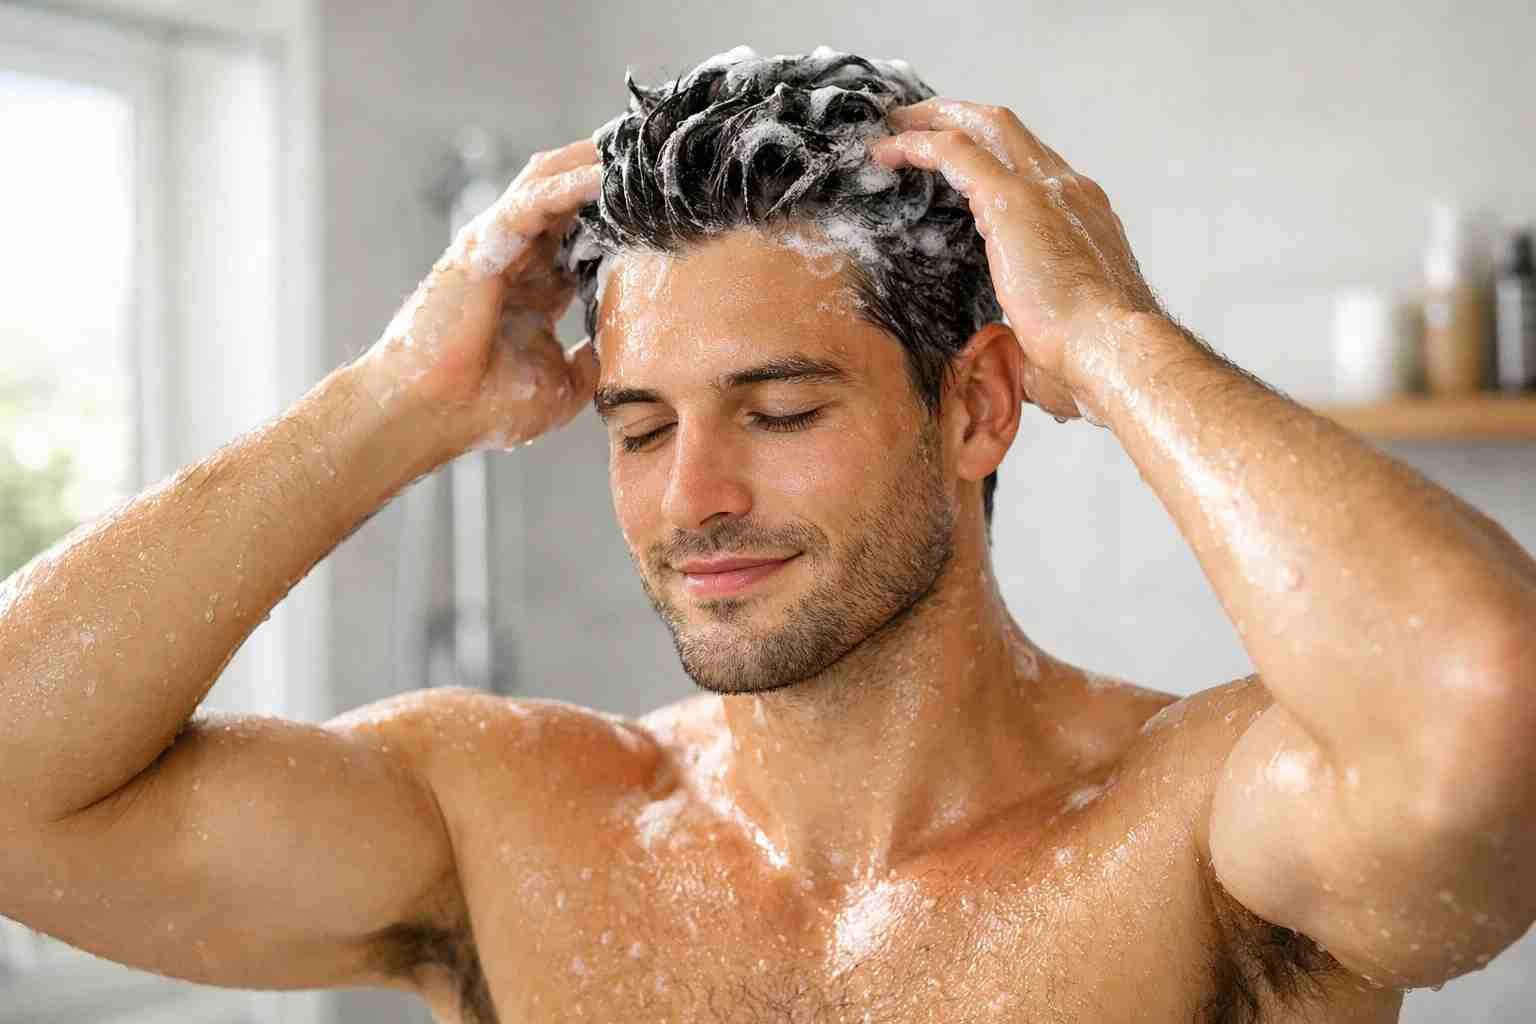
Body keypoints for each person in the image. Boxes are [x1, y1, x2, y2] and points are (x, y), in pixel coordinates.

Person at [2, 44, 1533, 1024]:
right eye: (640, 427)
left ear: (977, 408)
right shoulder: (509, 828)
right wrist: (396, 399)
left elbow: (1487, 702)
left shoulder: (1196, 837)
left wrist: (1113, 338)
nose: (693, 499)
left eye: (781, 411)